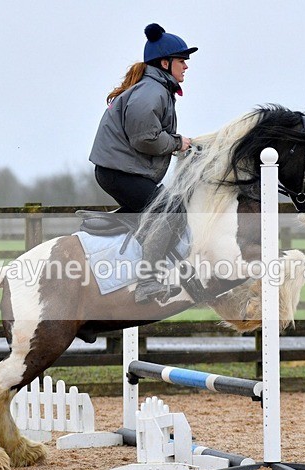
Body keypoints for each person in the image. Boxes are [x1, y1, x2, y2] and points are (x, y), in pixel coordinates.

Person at [89, 23, 197, 304]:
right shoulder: (153, 91)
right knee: (171, 210)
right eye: (181, 60)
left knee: (165, 208)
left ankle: (113, 224)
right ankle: (148, 281)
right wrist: (176, 143)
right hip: (120, 173)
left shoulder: (157, 89)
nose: (186, 66)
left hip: (121, 171)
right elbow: (144, 139)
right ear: (165, 62)